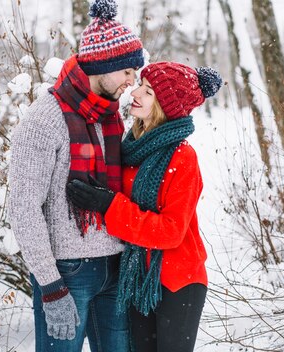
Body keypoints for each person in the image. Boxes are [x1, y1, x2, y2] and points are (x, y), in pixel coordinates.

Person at [7, 0, 144, 350]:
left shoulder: (110, 117)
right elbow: (23, 209)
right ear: (102, 65)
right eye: (128, 71)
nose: (132, 81)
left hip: (115, 265)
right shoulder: (44, 120)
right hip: (68, 272)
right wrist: (51, 287)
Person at [67, 62, 222, 352]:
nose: (135, 92)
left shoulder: (182, 158)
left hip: (178, 282)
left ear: (166, 106)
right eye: (140, 84)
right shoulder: (130, 147)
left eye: (148, 91)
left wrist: (110, 205)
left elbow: (170, 231)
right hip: (137, 277)